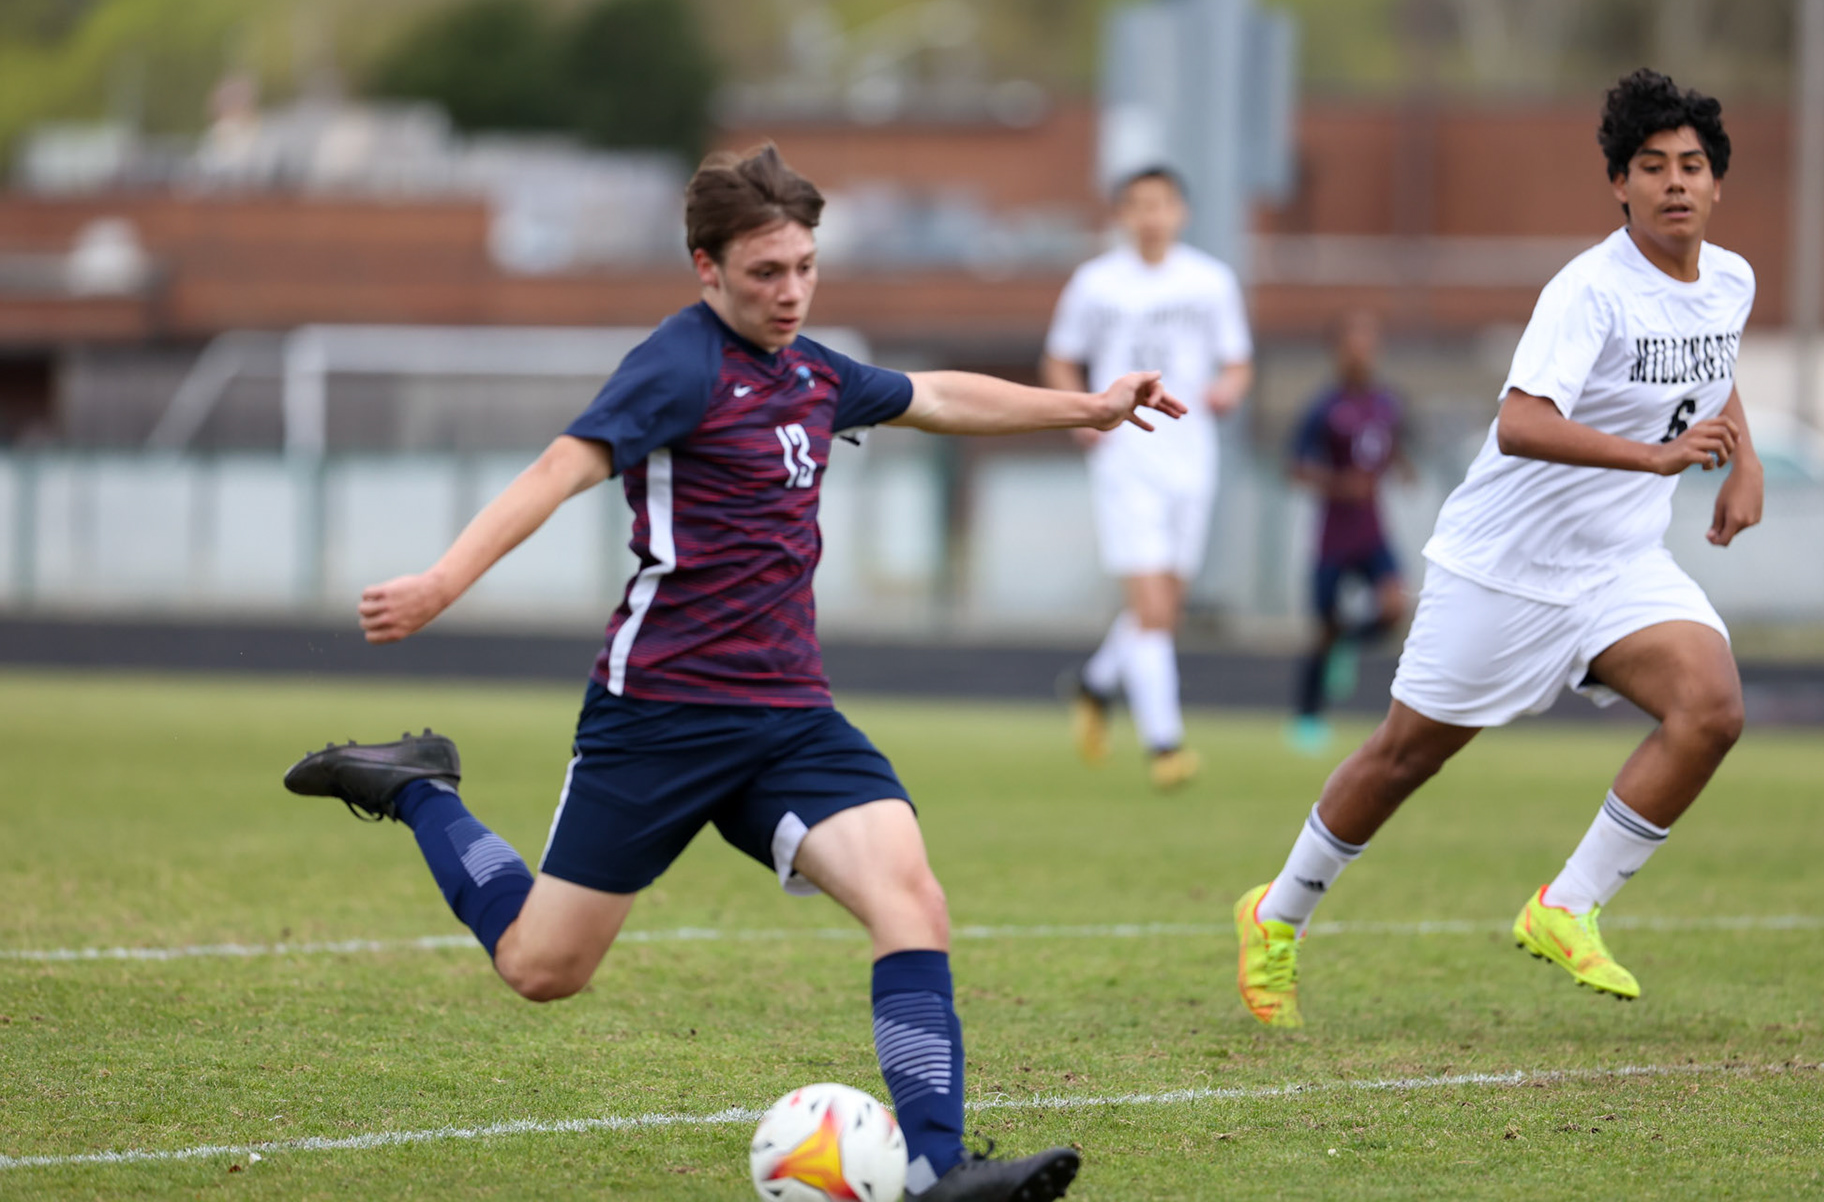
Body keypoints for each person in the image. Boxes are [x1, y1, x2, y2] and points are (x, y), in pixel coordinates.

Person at [282, 144, 1186, 1201]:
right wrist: (441, 581)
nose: (792, 290)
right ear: (705, 268)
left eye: (804, 265)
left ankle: (942, 1172)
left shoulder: (811, 370)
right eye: (766, 272)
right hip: (657, 716)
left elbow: (936, 394)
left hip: (792, 719)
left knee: (912, 901)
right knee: (541, 967)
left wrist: (1087, 406)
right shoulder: (677, 367)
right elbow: (558, 469)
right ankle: (421, 788)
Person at [1233, 68, 1764, 1029]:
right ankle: (1277, 916)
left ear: (1718, 183)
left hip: (1619, 568)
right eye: (1652, 167)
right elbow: (1520, 422)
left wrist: (1745, 463)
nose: (1675, 182)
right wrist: (1656, 457)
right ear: (1620, 184)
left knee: (1711, 707)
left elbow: (1715, 370)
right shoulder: (1589, 291)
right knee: (1404, 758)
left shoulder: (1732, 279)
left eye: (1692, 166)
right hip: (1504, 568)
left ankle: (1566, 905)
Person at [1042, 166, 1254, 791]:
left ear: (1181, 212)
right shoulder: (1096, 283)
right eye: (1137, 205)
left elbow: (1237, 361)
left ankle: (1095, 684)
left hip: (1192, 458)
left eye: (1161, 204)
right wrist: (1080, 409)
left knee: (1164, 607)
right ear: (1121, 215)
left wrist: (1226, 392)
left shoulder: (1210, 280)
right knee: (1153, 610)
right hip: (1126, 454)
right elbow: (1059, 356)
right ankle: (1166, 746)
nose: (1150, 216)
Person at [1285, 310, 1409, 755]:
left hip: (1373, 531)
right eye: (1353, 344)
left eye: (1368, 343)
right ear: (1338, 352)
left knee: (1395, 605)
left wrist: (1403, 469)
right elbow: (1294, 468)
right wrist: (1339, 485)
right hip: (1334, 535)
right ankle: (1306, 717)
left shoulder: (1387, 402)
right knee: (1323, 630)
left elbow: (1391, 446)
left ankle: (1348, 645)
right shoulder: (1323, 407)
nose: (1362, 352)